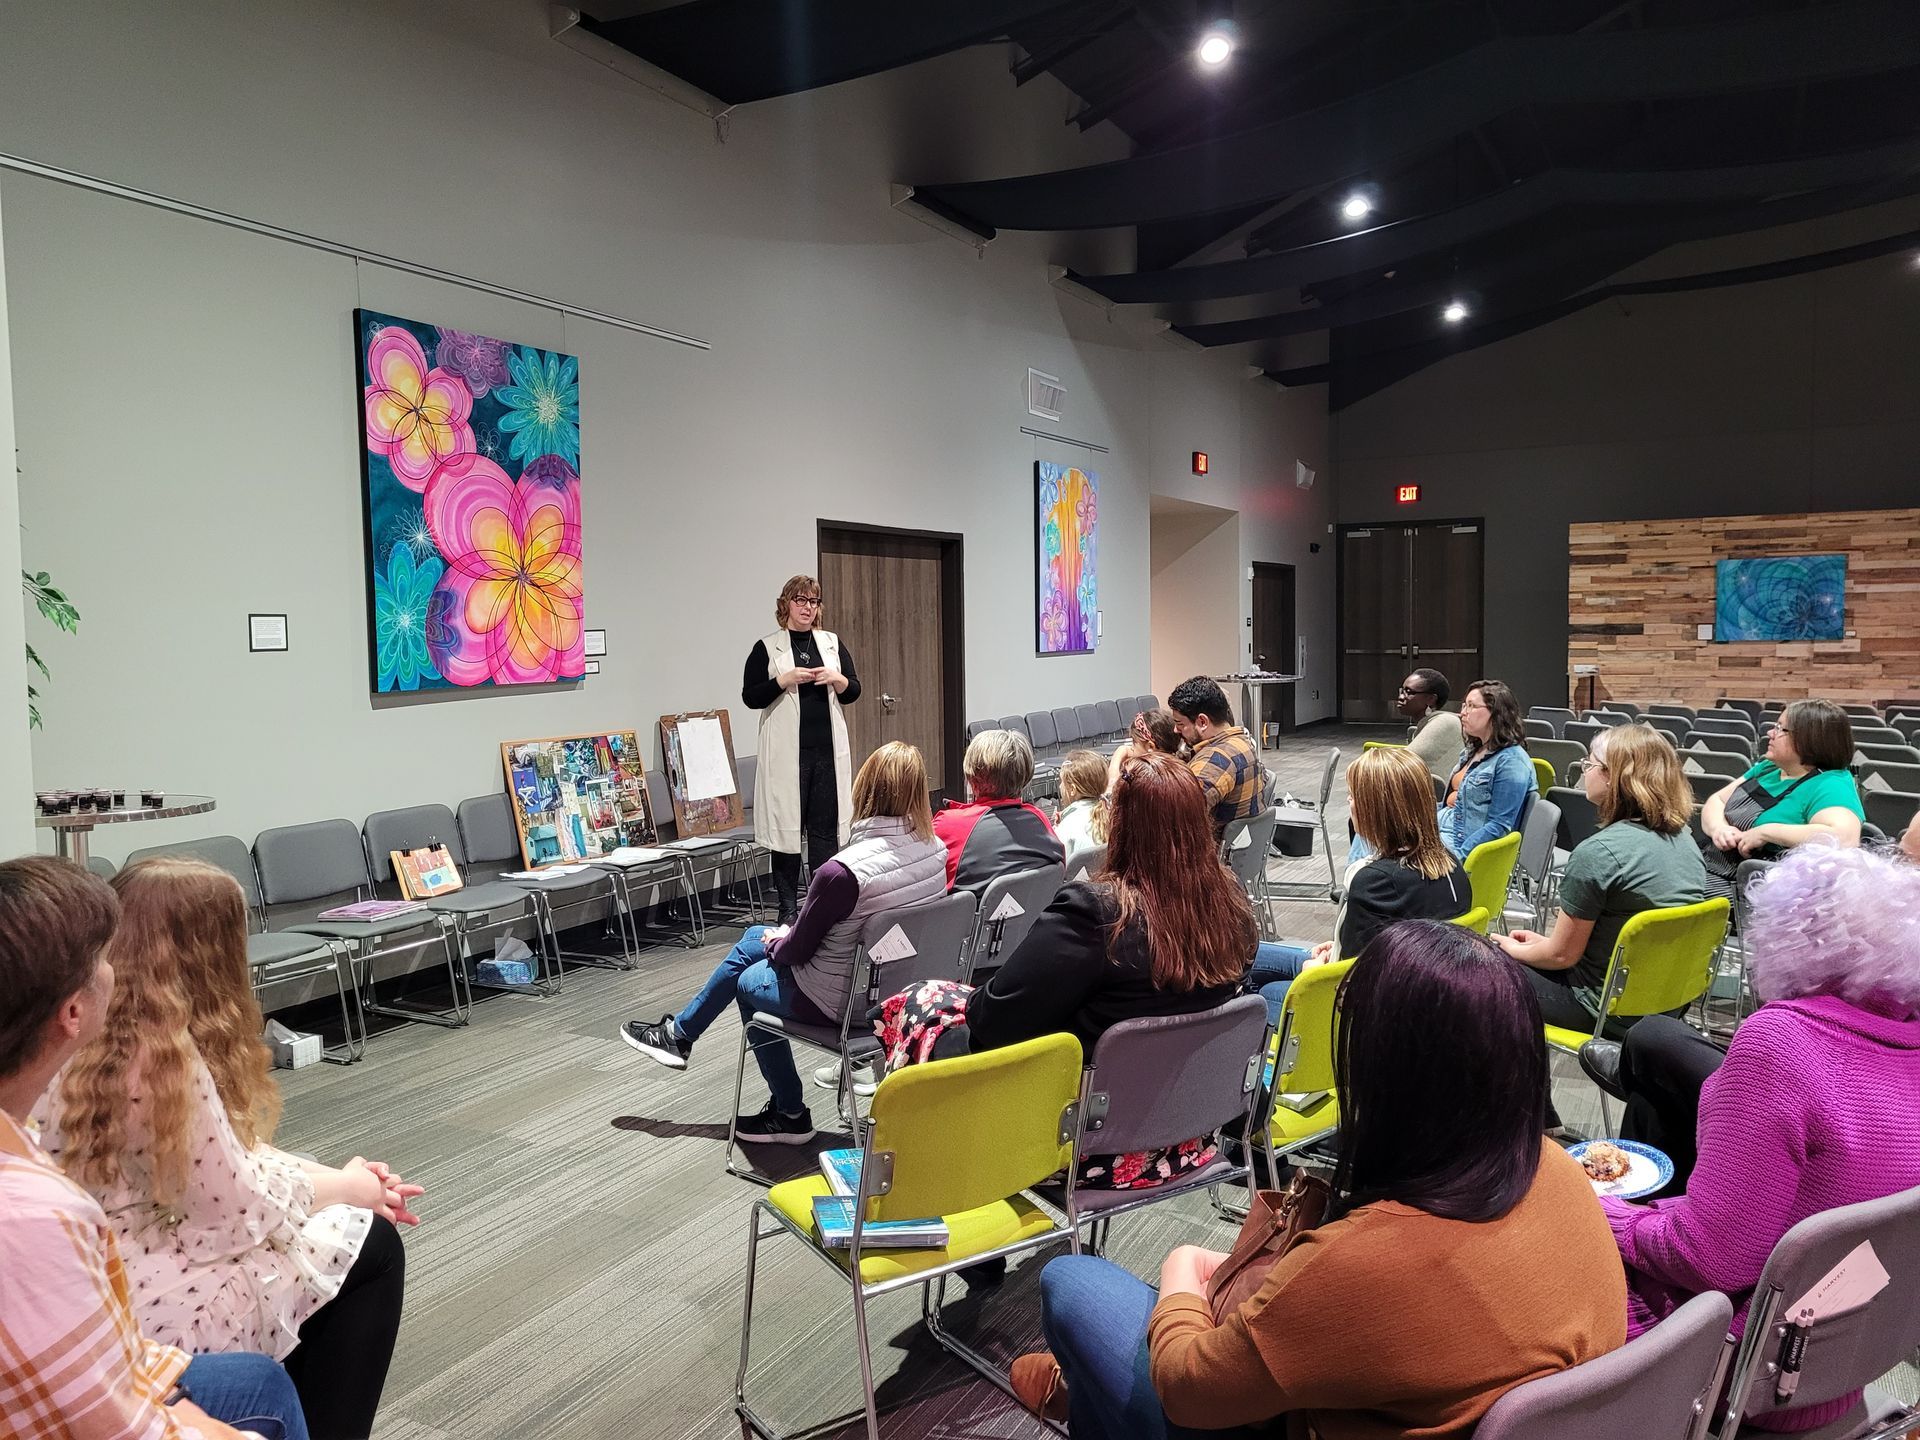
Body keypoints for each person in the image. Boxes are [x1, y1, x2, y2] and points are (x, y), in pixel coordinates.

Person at [1016, 921, 1625, 1440]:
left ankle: (1085, 1395)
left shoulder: (1366, 1265)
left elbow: (1185, 1386)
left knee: (1073, 1282)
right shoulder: (1559, 1172)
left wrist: (1179, 1269)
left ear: (1384, 1078)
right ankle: (1088, 1396)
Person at [33, 859, 416, 1440]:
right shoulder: (158, 1054)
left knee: (333, 1228)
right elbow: (238, 1214)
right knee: (371, 1243)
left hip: (87, 1281)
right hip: (139, 1306)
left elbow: (234, 1156)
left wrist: (338, 1179)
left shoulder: (65, 1030)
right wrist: (353, 1187)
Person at [1588, 846, 1920, 1433]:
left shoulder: (1779, 1046)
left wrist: (1606, 1215)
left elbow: (1708, 1258)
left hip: (1737, 1373)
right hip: (1846, 1360)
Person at [0, 857, 309, 1440]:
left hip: (125, 1320)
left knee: (258, 1382)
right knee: (350, 1250)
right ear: (72, 1011)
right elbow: (111, 1422)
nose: (114, 967)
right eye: (100, 956)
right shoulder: (35, 1215)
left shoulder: (27, 1136)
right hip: (144, 1298)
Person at [872, 751, 1253, 1193]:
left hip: (1082, 1139)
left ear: (1122, 823)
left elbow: (993, 1022)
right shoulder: (1231, 907)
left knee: (922, 1006)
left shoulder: (1098, 912)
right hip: (1185, 1129)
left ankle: (944, 1196)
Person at [620, 741, 947, 1144]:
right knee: (751, 939)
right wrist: (778, 938)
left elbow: (797, 951)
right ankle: (680, 1035)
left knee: (749, 980)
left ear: (865, 791)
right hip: (900, 993)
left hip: (843, 1002)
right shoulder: (934, 851)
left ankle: (789, 1112)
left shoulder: (843, 872)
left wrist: (780, 940)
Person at [1495, 723, 1707, 1036]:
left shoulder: (1599, 853)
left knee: (1479, 971)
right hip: (1667, 1002)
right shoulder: (1686, 842)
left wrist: (1507, 949)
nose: (1585, 771)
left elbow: (1561, 956)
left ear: (1614, 776)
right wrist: (1543, 944)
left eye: (1590, 763)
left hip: (1602, 1006)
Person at [1245, 746, 1469, 1022]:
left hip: (1368, 1015)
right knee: (1249, 953)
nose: (1349, 804)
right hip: (1418, 995)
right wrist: (1338, 943)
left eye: (1352, 796)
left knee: (1260, 993)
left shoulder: (1374, 882)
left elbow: (1350, 986)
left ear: (1373, 809)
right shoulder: (1451, 866)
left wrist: (1313, 971)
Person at [742, 574, 860, 923]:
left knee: (825, 835)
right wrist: (783, 680)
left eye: (813, 601)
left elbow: (853, 690)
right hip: (787, 758)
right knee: (787, 834)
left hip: (826, 754)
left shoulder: (832, 643)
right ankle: (788, 911)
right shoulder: (767, 647)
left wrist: (837, 680)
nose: (807, 607)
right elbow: (751, 696)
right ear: (786, 605)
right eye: (800, 600)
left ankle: (821, 906)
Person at [1698, 697, 1863, 899]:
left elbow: (1844, 838)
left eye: (1780, 729)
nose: (1770, 733)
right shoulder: (1769, 768)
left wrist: (1767, 832)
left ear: (1809, 739)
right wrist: (1719, 828)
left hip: (1752, 892)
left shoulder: (1831, 783)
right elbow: (1717, 800)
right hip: (1709, 867)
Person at [931, 729, 1063, 892]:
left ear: (973, 778)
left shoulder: (948, 825)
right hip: (1034, 914)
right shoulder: (1039, 819)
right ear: (1024, 775)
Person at [1166, 677, 1264, 840]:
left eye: (1180, 724)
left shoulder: (1216, 761)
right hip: (1237, 851)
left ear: (1202, 721)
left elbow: (1174, 817)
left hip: (1209, 858)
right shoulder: (1241, 742)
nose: (1175, 730)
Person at [1398, 668, 1463, 782]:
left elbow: (1402, 762)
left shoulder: (1444, 721)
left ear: (1431, 699)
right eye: (1402, 690)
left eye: (1408, 692)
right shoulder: (1434, 721)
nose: (1401, 697)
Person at [1051, 748, 1109, 858]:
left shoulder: (1068, 827)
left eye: (1062, 782)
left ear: (1072, 789)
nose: (1060, 786)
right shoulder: (1110, 814)